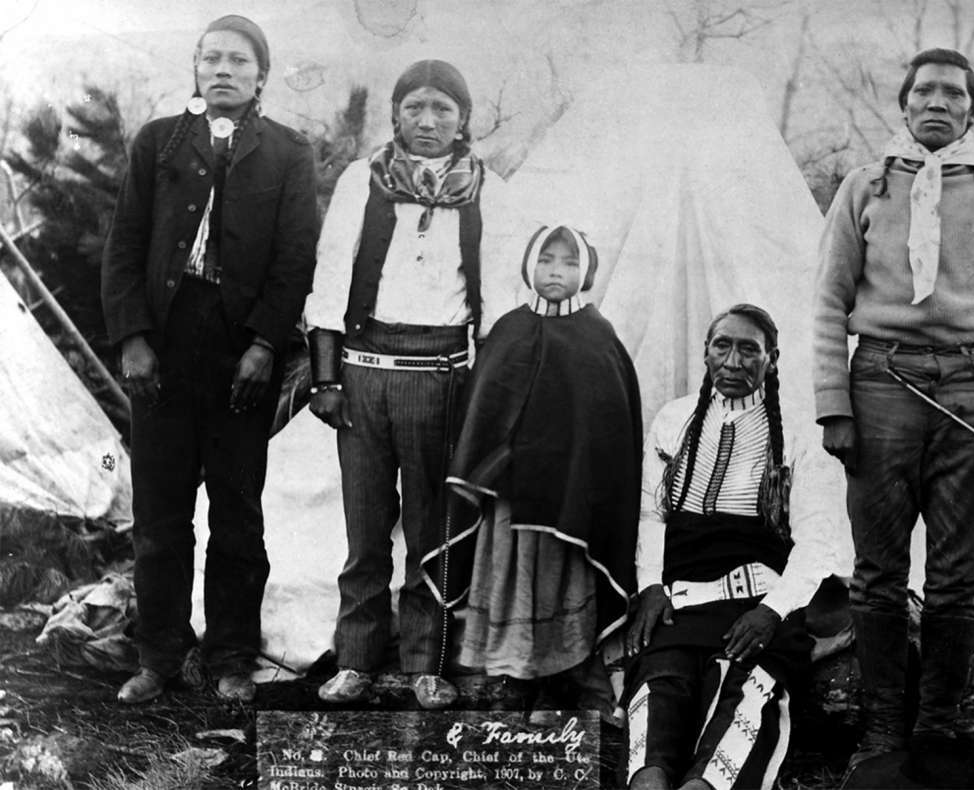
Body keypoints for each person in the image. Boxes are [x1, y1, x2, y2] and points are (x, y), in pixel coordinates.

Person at [812, 48, 974, 788]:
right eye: (924, 92)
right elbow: (826, 303)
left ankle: (937, 729)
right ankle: (880, 734)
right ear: (904, 106)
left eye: (954, 92)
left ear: (973, 109)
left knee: (955, 579)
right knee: (878, 574)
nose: (937, 102)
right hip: (881, 385)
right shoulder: (865, 188)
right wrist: (833, 407)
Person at [101, 15, 318, 704]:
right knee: (161, 514)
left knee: (236, 514)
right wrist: (134, 340)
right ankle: (159, 657)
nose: (222, 70)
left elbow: (293, 261)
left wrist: (262, 345)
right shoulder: (158, 142)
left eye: (238, 61)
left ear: (261, 75)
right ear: (195, 69)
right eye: (210, 59)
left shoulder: (288, 153)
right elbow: (125, 244)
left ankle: (230, 656)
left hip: (239, 353)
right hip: (163, 347)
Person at [305, 59, 517, 709]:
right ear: (396, 114)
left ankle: (429, 661)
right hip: (366, 374)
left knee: (433, 529)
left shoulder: (491, 191)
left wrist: (487, 393)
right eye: (415, 108)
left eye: (443, 110)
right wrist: (326, 377)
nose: (427, 122)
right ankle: (358, 658)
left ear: (463, 120)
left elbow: (503, 296)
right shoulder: (361, 183)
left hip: (444, 378)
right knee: (365, 528)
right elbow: (332, 276)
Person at [623, 304, 849, 790]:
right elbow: (651, 513)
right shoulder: (674, 420)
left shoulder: (800, 433)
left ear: (772, 359)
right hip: (680, 607)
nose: (732, 360)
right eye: (722, 345)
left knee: (743, 702)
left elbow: (818, 540)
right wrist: (650, 588)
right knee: (656, 704)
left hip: (758, 609)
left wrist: (773, 611)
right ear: (705, 352)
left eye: (749, 349)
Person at [422, 224, 642, 715]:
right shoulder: (509, 330)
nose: (555, 271)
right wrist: (497, 462)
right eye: (546, 261)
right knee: (509, 578)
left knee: (560, 578)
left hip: (569, 506)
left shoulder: (598, 337)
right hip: (510, 500)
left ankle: (566, 673)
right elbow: (486, 414)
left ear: (584, 272)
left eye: (567, 263)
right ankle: (512, 673)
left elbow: (607, 428)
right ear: (529, 267)